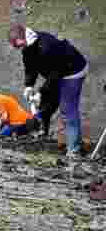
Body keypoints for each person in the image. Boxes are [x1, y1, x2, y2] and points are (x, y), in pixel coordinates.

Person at [8, 24, 88, 161]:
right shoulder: (27, 48)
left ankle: (74, 151)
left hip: (73, 71)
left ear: (25, 37)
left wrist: (42, 91)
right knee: (46, 105)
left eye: (20, 45)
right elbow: (30, 67)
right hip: (55, 74)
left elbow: (56, 73)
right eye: (17, 47)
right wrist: (29, 85)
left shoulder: (47, 45)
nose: (20, 49)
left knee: (67, 110)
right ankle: (42, 135)